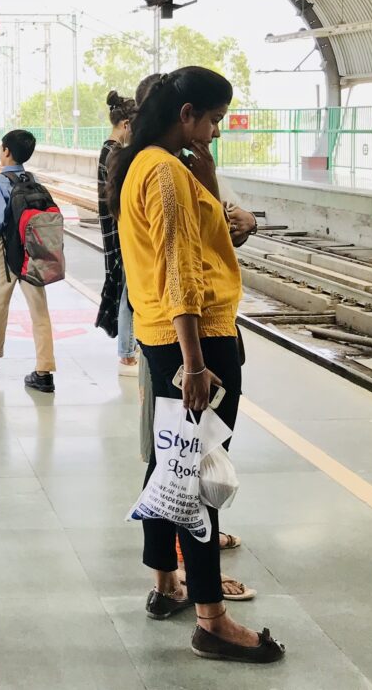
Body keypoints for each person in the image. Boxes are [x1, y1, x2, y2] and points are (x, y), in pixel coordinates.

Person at [108, 67, 284, 663]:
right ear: (185, 113)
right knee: (200, 475)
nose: (213, 131)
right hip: (195, 342)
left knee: (170, 462)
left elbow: (197, 250)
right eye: (210, 120)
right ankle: (212, 619)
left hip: (166, 337)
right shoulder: (164, 173)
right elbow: (181, 270)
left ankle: (165, 585)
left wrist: (206, 173)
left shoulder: (145, 164)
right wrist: (197, 363)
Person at [0, 129, 56, 393]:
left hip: (6, 251)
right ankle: (44, 371)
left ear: (6, 151)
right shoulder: (33, 179)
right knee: (39, 311)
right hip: (33, 251)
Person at [95, 90, 139, 377]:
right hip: (120, 229)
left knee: (126, 287)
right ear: (125, 124)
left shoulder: (106, 149)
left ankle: (127, 350)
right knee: (128, 290)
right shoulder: (115, 153)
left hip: (114, 228)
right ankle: (126, 354)